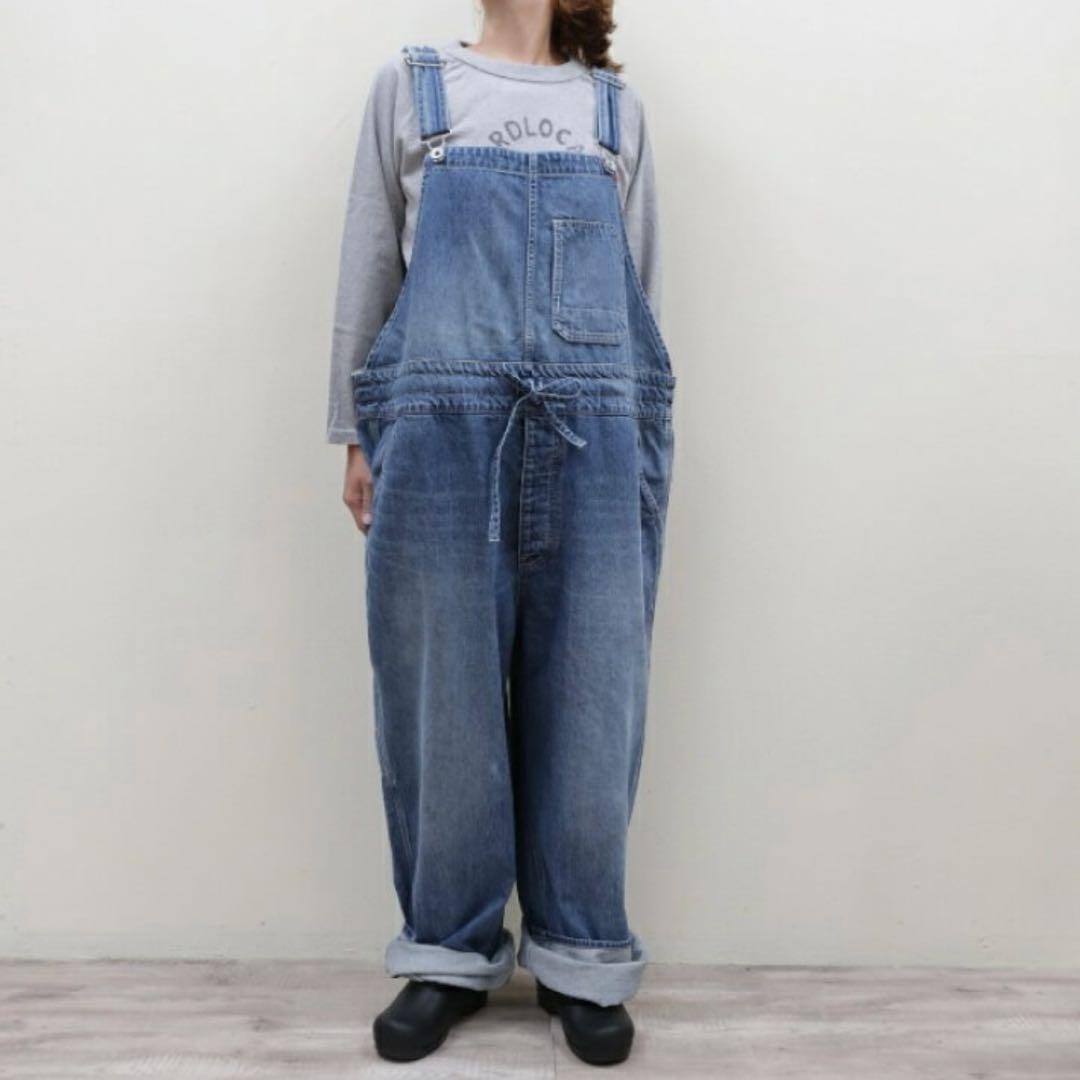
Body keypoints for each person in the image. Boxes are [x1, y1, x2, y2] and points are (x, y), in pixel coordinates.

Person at [326, 0, 675, 1065]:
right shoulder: (412, 87)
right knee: (441, 702)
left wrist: (639, 450)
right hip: (438, 438)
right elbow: (368, 265)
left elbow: (642, 307)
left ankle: (581, 954)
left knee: (593, 697)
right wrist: (355, 432)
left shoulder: (614, 111)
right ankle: (447, 952)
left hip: (594, 442)